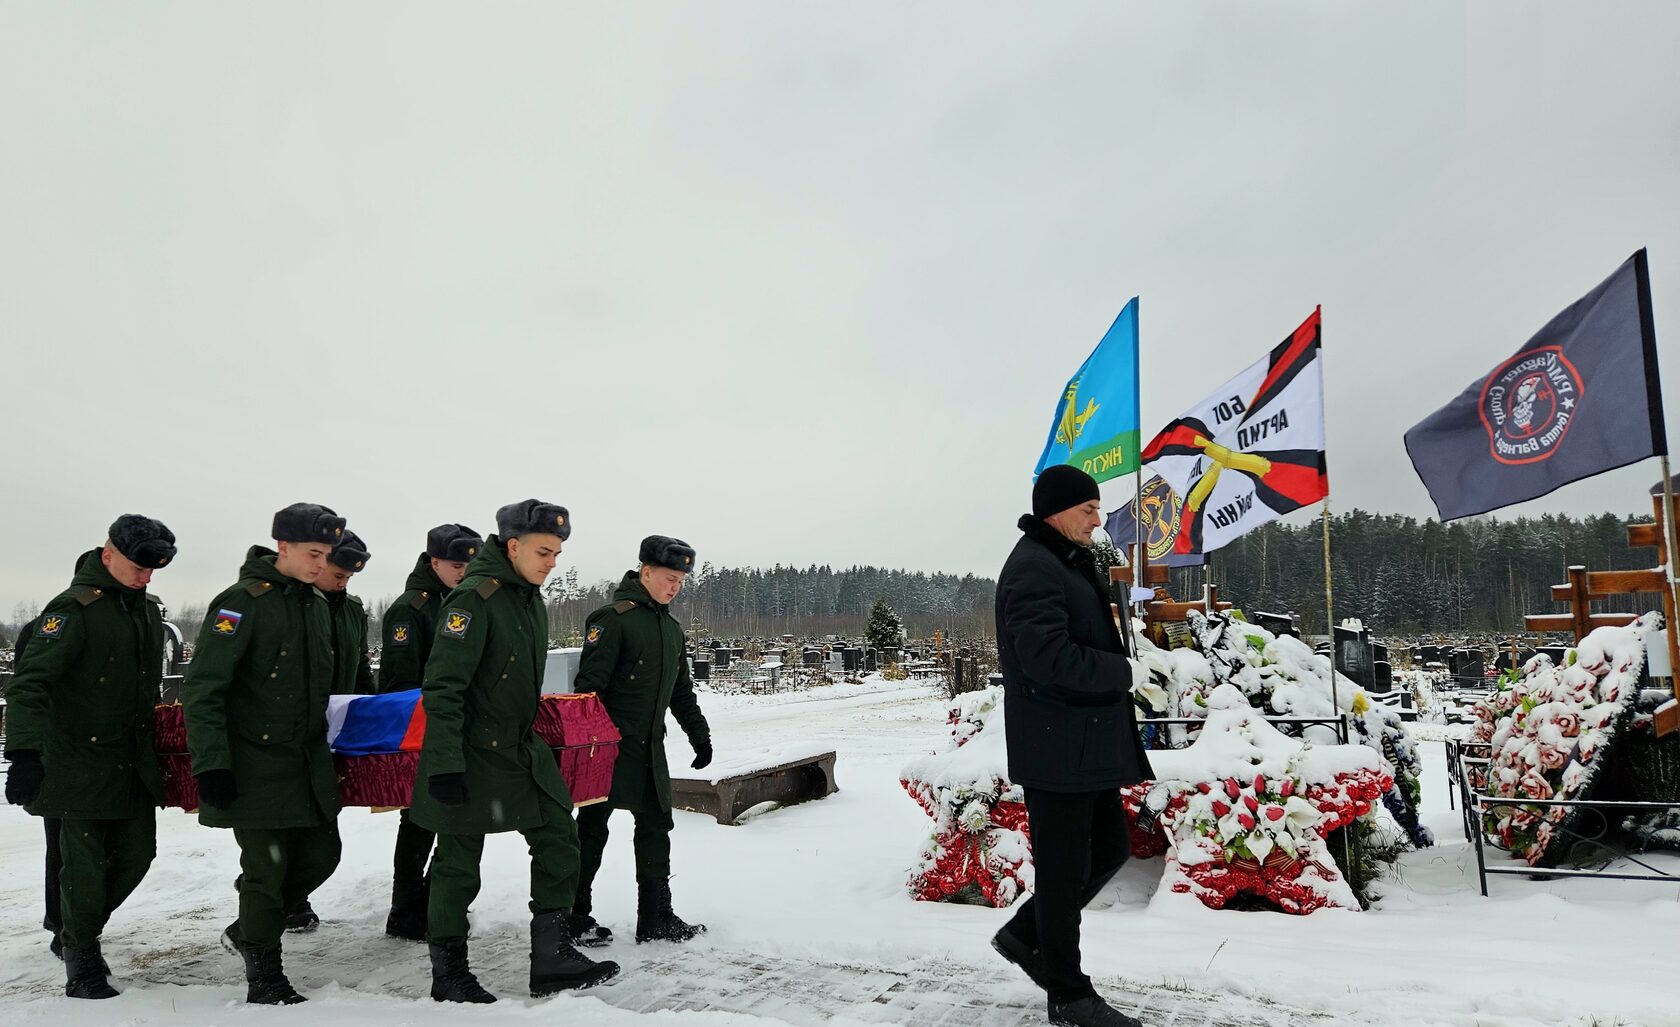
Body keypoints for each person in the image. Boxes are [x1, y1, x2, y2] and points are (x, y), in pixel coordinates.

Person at [409, 500, 619, 1002]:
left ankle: (551, 956)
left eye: (558, 553)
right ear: (512, 546)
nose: (552, 562)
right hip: (469, 752)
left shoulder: (528, 599)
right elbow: (443, 691)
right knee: (458, 864)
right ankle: (449, 973)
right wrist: (444, 766)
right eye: (545, 551)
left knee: (558, 836)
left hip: (521, 750)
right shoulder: (472, 602)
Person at [992, 466, 1153, 1027]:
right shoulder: (1033, 569)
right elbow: (1047, 658)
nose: (1097, 518)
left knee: (1110, 850)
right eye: (1088, 509)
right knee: (1062, 874)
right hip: (1056, 747)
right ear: (1056, 510)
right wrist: (1121, 672)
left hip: (1081, 745)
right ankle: (1068, 993)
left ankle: (1027, 935)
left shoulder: (1060, 560)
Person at [3, 516, 176, 999]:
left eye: (152, 570)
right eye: (139, 566)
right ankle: (82, 962)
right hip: (76, 762)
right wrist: (23, 752)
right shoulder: (73, 611)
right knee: (81, 867)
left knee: (138, 855)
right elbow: (30, 684)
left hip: (131, 761)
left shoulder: (143, 610)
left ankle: (74, 930)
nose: (146, 576)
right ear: (108, 555)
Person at [183, 503, 347, 1005]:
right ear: (283, 546)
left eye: (326, 555)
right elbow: (204, 690)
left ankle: (249, 928)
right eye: (312, 553)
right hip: (252, 765)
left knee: (323, 854)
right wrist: (212, 763)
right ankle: (264, 975)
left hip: (307, 765)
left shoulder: (317, 606)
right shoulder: (240, 603)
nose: (321, 564)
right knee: (266, 870)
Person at [571, 535, 712, 946]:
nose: (675, 587)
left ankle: (656, 916)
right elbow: (588, 691)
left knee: (655, 826)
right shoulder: (612, 620)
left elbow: (680, 691)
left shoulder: (670, 628)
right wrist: (587, 751)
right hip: (609, 750)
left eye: (681, 581)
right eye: (669, 578)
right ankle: (574, 914)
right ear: (645, 572)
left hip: (650, 749)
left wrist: (699, 735)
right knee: (592, 830)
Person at [378, 522, 482, 942]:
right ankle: (405, 907)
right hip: (422, 729)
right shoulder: (411, 609)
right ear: (433, 561)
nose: (463, 573)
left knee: (448, 817)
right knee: (419, 819)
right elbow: (402, 683)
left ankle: (432, 898)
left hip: (457, 728)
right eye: (456, 565)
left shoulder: (462, 601)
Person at [279, 528, 373, 934]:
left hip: (334, 732)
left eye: (350, 577)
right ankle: (272, 905)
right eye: (337, 573)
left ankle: (279, 900)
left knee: (319, 838)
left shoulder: (351, 608)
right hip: (287, 735)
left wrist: (371, 710)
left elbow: (360, 666)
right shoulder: (288, 605)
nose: (342, 582)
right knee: (287, 834)